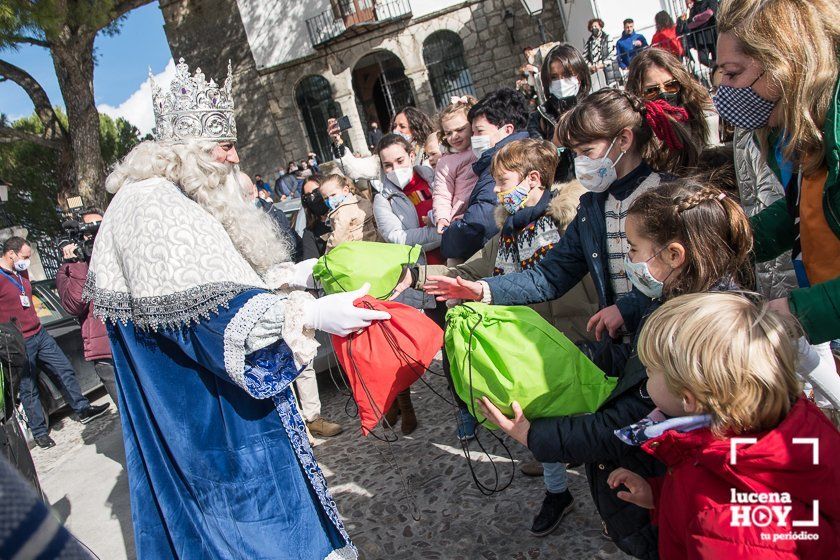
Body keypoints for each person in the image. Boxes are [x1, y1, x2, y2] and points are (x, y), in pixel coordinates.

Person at [89, 57, 390, 558]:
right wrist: (308, 314)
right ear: (188, 152)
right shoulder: (151, 204)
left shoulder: (178, 196)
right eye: (224, 146)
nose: (234, 157)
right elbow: (209, 314)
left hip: (214, 407)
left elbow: (216, 274)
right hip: (210, 422)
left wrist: (300, 276)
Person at [476, 176, 757, 559]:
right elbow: (632, 370)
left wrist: (533, 435)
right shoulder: (679, 300)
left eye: (636, 249)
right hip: (661, 490)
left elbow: (628, 422)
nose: (630, 260)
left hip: (674, 504)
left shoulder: (698, 335)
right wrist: (574, 358)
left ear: (674, 256)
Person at [414, 139, 599, 535]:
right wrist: (411, 279)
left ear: (533, 179)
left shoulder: (571, 220)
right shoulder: (505, 238)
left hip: (581, 336)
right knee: (541, 413)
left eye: (502, 182)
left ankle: (612, 496)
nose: (496, 191)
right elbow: (465, 270)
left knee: (596, 417)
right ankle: (557, 492)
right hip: (534, 347)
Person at [426, 89, 694, 343]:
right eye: (575, 154)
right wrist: (485, 289)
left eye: (587, 152)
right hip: (626, 343)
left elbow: (692, 275)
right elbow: (551, 275)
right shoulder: (592, 207)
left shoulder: (668, 195)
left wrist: (629, 307)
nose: (581, 162)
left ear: (623, 140)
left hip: (676, 333)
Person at [608, 292, 839, 559]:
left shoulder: (723, 520)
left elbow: (715, 511)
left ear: (689, 397)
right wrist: (659, 495)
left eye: (650, 370)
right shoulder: (791, 424)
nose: (645, 375)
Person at [714, 0, 840, 345]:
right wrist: (727, 242)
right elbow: (805, 215)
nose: (724, 89)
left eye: (733, 73)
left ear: (784, 62)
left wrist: (801, 310)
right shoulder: (797, 131)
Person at [0, 237, 109, 449]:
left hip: (40, 333)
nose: (27, 263)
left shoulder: (20, 272)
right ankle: (39, 433)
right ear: (10, 254)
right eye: (24, 257)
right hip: (18, 342)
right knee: (29, 387)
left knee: (64, 370)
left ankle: (82, 408)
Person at [370, 133, 441, 434]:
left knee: (458, 340)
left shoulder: (434, 177)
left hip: (452, 266)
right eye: (387, 165)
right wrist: (437, 234)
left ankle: (471, 406)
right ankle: (403, 402)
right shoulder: (382, 198)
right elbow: (397, 239)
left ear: (412, 155)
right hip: (418, 279)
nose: (394, 168)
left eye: (399, 160)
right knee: (416, 345)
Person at [440, 88, 531, 262]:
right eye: (472, 132)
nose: (473, 138)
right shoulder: (498, 160)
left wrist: (447, 235)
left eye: (479, 132)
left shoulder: (502, 166)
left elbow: (478, 226)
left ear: (507, 130)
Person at [56, 208, 119, 408]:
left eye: (98, 228)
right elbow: (75, 304)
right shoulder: (70, 268)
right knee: (128, 415)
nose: (93, 236)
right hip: (106, 352)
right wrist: (77, 264)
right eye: (87, 231)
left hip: (136, 343)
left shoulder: (120, 252)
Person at [625, 48, 713, 171]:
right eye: (651, 91)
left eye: (670, 85)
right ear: (637, 93)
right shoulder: (638, 132)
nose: (664, 93)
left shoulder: (696, 112)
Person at [527, 44, 591, 184]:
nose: (561, 82)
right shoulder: (539, 117)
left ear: (580, 75)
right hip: (564, 194)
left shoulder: (596, 108)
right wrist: (555, 146)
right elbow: (537, 164)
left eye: (567, 75)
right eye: (554, 77)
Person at [328, 106, 435, 180]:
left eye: (402, 126)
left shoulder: (429, 151)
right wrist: (338, 142)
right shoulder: (384, 157)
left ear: (416, 130)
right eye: (394, 126)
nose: (396, 130)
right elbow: (355, 169)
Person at [431, 96, 478, 248]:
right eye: (448, 133)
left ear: (472, 125)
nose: (454, 136)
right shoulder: (446, 162)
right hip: (460, 217)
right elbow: (442, 193)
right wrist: (442, 218)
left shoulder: (483, 147)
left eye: (460, 129)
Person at [319, 173, 379, 250]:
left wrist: (328, 252)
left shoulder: (342, 211)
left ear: (345, 190)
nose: (330, 200)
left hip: (357, 249)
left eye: (333, 195)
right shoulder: (361, 200)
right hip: (376, 242)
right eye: (326, 198)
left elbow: (338, 238)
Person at [300, 176, 332, 260]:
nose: (312, 198)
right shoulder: (310, 233)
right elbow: (311, 264)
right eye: (307, 196)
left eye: (316, 192)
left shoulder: (346, 213)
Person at [681, 0, 718, 67]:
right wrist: (700, 18)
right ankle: (716, 67)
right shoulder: (694, 7)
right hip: (701, 37)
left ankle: (718, 70)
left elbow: (710, 13)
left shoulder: (711, 1)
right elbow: (690, 23)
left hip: (712, 34)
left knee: (717, 57)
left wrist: (697, 19)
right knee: (702, 59)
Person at [583, 18, 616, 87]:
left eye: (595, 26)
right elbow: (584, 57)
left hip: (608, 71)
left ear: (600, 27)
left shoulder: (608, 38)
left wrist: (602, 64)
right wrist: (591, 66)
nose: (594, 28)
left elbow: (613, 54)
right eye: (592, 27)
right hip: (595, 73)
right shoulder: (589, 42)